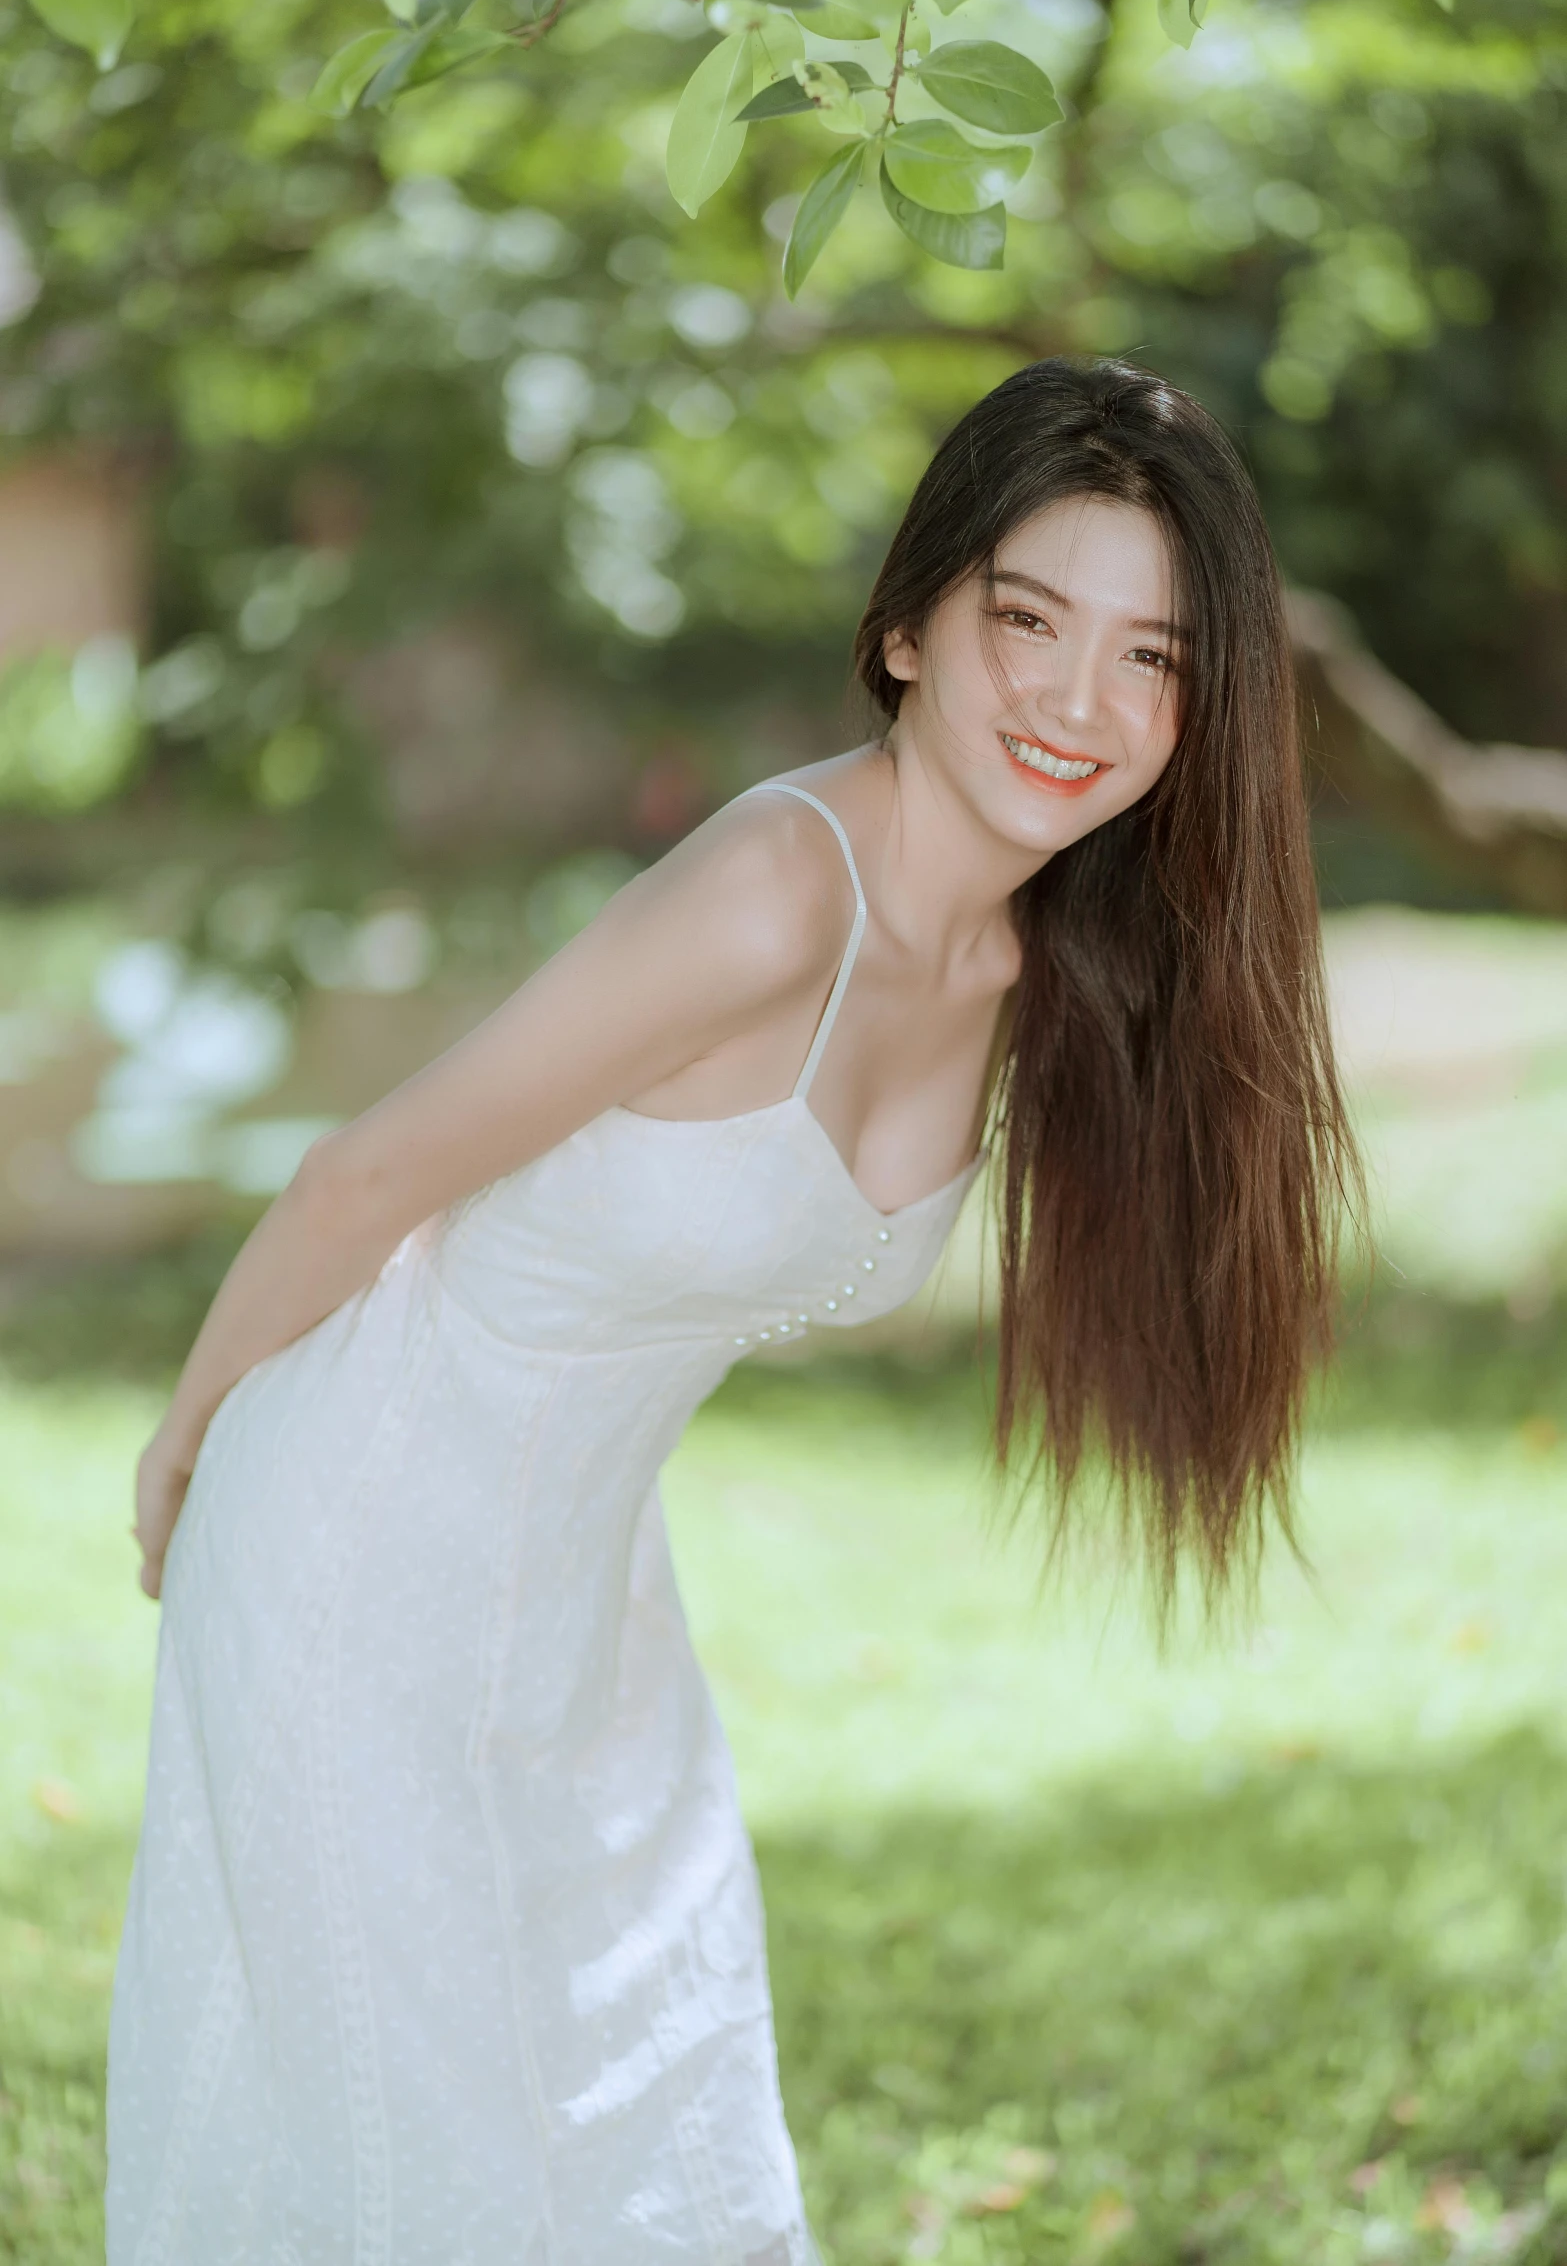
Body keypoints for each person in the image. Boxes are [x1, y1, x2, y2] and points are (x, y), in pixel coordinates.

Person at [108, 358, 1355, 2264]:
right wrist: (187, 1447)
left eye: (1149, 658)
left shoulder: (1040, 968)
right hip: (358, 1541)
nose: (1075, 700)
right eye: (1026, 618)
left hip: (591, 1613)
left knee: (643, 2127)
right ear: (906, 627)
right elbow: (366, 1174)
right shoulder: (780, 891)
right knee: (425, 2148)